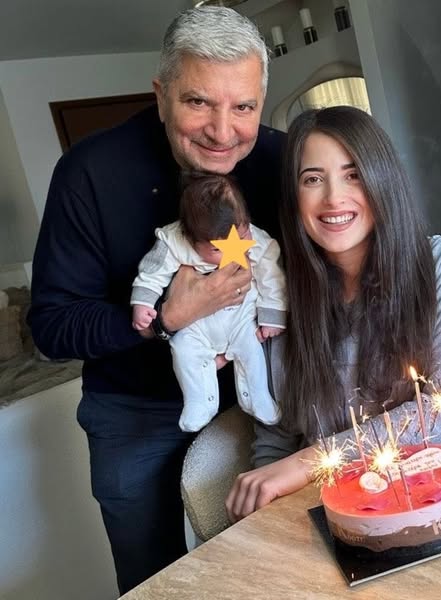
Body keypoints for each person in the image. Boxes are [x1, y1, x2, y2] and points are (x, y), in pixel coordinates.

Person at [27, 6, 285, 594]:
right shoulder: (89, 172)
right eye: (198, 102)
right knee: (156, 581)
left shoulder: (282, 160)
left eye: (243, 107)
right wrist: (165, 317)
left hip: (266, 393)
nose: (223, 131)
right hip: (135, 417)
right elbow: (53, 326)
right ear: (162, 94)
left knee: (272, 567)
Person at [226, 106, 441, 523]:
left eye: (352, 174)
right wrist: (262, 514)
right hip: (344, 518)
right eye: (312, 179)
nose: (334, 197)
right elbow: (277, 439)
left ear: (382, 179)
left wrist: (309, 460)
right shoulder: (278, 301)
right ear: (293, 197)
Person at [131, 173, 286, 432]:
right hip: (195, 322)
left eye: (241, 237)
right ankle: (199, 401)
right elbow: (153, 271)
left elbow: (272, 276)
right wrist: (143, 303)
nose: (231, 253)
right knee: (183, 350)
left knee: (252, 350)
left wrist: (273, 314)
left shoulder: (256, 241)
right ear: (189, 237)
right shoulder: (175, 240)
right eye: (217, 249)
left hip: (240, 315)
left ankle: (258, 397)